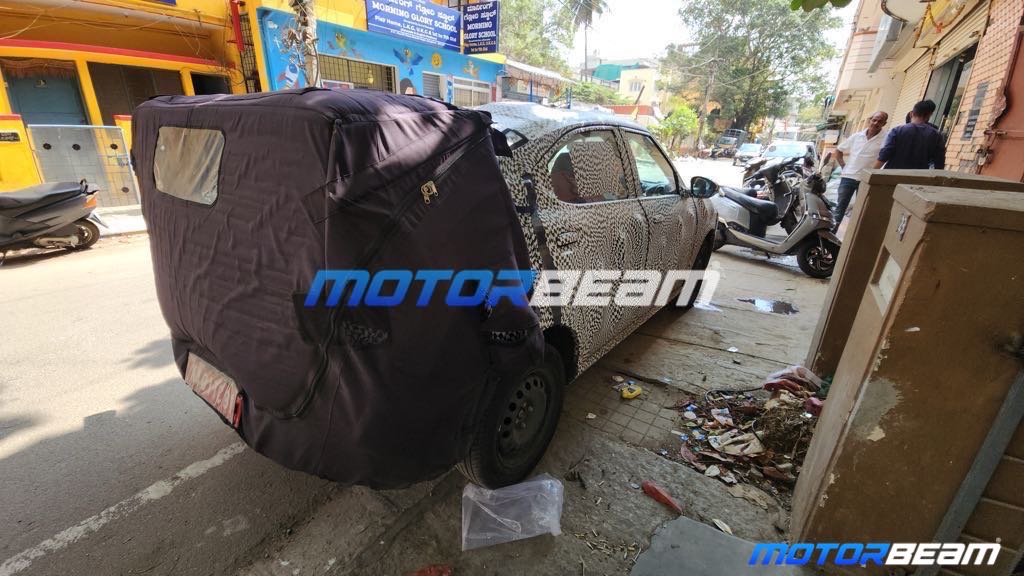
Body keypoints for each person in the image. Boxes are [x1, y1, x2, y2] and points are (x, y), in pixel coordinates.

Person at [832, 111, 889, 230]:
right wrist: (843, 165)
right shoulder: (857, 136)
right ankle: (831, 235)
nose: (876, 123)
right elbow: (838, 150)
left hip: (866, 180)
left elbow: (885, 157)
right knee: (840, 208)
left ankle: (852, 237)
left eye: (880, 121)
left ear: (884, 123)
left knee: (861, 209)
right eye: (874, 120)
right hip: (848, 177)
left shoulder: (885, 139)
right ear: (870, 120)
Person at [875, 100, 946, 170]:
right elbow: (939, 163)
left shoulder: (897, 131)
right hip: (917, 178)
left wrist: (873, 172)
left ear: (911, 114)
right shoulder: (937, 136)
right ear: (929, 115)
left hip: (891, 176)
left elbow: (884, 155)